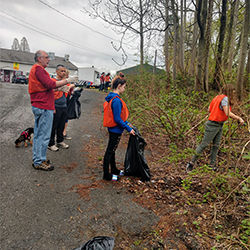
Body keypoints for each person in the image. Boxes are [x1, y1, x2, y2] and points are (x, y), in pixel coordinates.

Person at [28, 50, 77, 171]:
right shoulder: (39, 69)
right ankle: (39, 161)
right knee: (43, 136)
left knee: (39, 135)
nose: (49, 59)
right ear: (39, 58)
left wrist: (60, 88)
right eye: (46, 57)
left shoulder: (37, 70)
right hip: (43, 106)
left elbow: (45, 87)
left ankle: (38, 158)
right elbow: (50, 84)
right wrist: (68, 80)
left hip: (42, 106)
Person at [186, 84, 245, 172]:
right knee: (204, 144)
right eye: (233, 91)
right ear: (229, 91)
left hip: (219, 125)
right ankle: (191, 163)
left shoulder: (217, 97)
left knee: (216, 146)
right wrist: (239, 118)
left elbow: (209, 109)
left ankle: (211, 166)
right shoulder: (225, 98)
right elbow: (227, 113)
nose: (234, 93)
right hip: (212, 125)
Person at [103, 78, 135, 181]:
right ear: (119, 86)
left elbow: (118, 117)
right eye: (124, 87)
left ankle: (114, 170)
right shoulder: (116, 100)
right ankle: (106, 175)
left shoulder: (112, 97)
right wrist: (128, 128)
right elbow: (117, 119)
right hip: (115, 130)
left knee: (112, 150)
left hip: (113, 128)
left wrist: (126, 123)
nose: (124, 89)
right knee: (110, 151)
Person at [48, 65, 75, 151]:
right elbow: (49, 95)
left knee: (61, 125)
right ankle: (51, 143)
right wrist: (52, 107)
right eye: (61, 71)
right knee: (53, 126)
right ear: (57, 72)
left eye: (64, 71)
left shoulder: (64, 82)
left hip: (64, 106)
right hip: (56, 106)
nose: (63, 72)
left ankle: (60, 141)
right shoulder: (53, 81)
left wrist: (71, 87)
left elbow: (68, 91)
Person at [63, 69, 73, 140]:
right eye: (66, 75)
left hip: (66, 103)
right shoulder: (60, 82)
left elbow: (72, 87)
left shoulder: (68, 83)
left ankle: (64, 133)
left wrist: (71, 86)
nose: (67, 76)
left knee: (65, 118)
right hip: (60, 103)